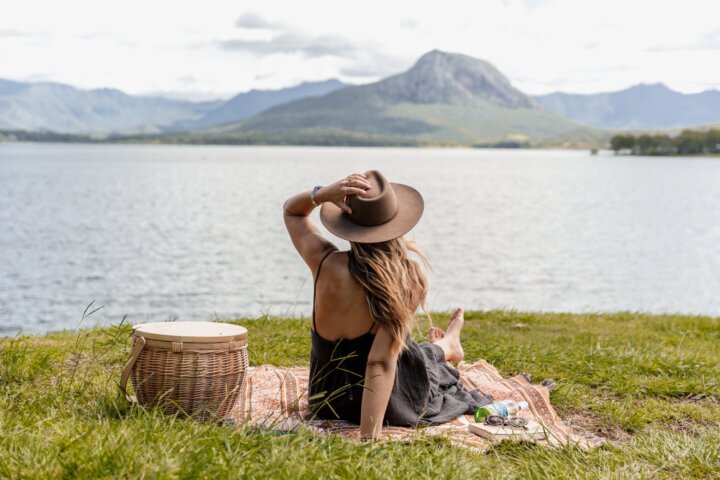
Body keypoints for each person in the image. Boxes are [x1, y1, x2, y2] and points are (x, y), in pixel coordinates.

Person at [283, 170, 490, 440]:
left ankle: (447, 345)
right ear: (395, 225)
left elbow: (292, 213)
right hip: (386, 405)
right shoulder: (405, 280)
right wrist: (369, 438)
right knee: (413, 358)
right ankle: (448, 345)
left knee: (410, 353)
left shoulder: (324, 261)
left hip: (326, 401)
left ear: (347, 223)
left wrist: (321, 194)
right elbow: (379, 363)